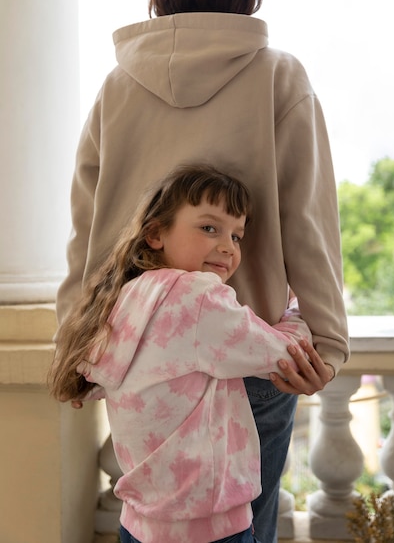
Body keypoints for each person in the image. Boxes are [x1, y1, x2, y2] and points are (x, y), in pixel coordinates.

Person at [55, 0, 350, 541]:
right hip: (252, 349)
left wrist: (73, 345)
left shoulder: (115, 89)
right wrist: (325, 343)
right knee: (244, 526)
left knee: (152, 520)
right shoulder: (280, 77)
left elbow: (88, 230)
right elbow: (309, 225)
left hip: (138, 355)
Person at [49, 164, 313, 543]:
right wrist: (296, 310)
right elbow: (287, 352)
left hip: (140, 524)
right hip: (210, 528)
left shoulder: (125, 298)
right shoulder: (200, 297)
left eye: (237, 236)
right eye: (209, 228)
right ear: (155, 233)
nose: (227, 246)